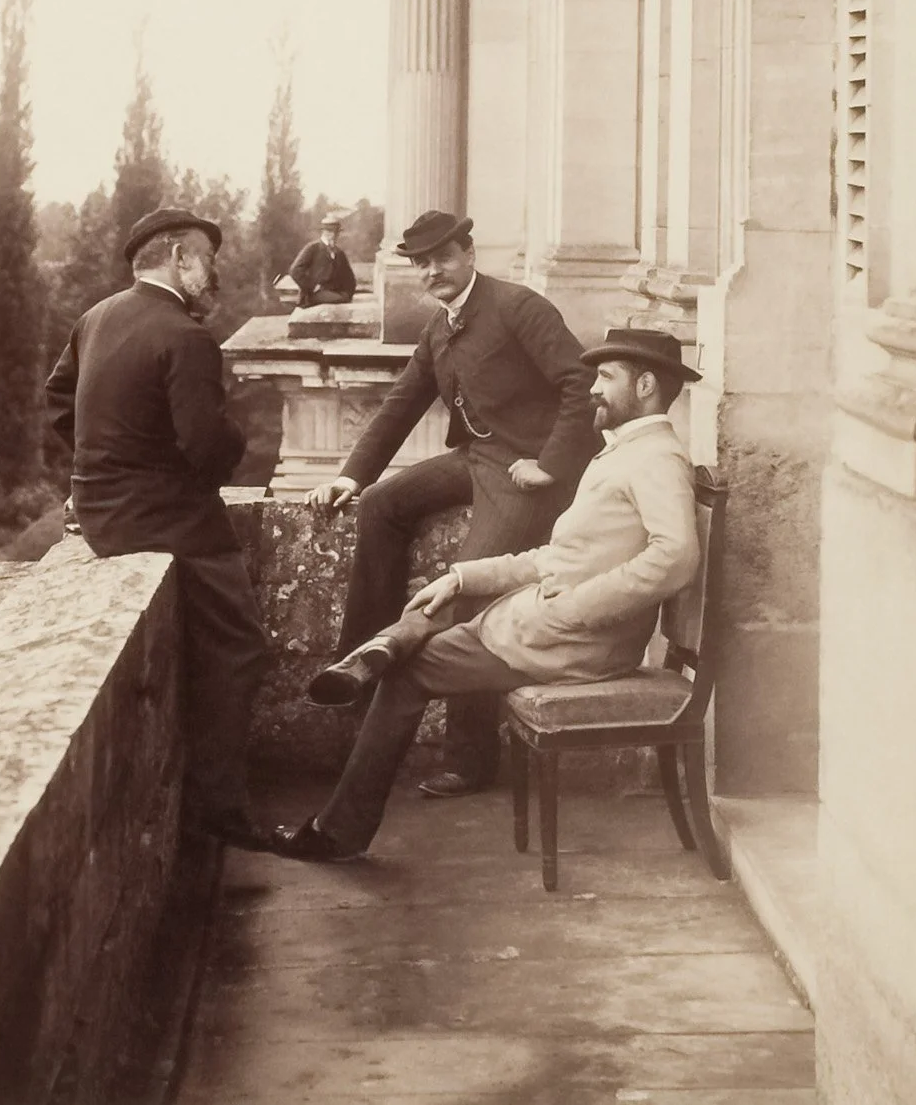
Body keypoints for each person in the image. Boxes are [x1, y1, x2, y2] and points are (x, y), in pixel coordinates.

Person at [275, 327, 702, 861]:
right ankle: (381, 647)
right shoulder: (625, 454)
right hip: (549, 621)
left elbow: (676, 556)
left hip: (574, 640)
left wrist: (577, 610)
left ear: (645, 386)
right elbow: (559, 557)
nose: (592, 388)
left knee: (409, 677)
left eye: (605, 377)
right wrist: (462, 576)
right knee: (445, 596)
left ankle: (339, 829)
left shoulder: (657, 460)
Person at [306, 209, 595, 797]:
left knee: (468, 590)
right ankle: (362, 659)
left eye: (442, 257)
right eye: (421, 263)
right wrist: (350, 475)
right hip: (478, 459)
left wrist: (550, 463)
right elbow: (402, 403)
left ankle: (471, 758)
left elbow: (579, 383)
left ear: (469, 252)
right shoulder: (438, 328)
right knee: (382, 504)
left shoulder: (519, 307)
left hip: (528, 474)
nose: (432, 270)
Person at [45, 206, 275, 853]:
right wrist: (232, 436)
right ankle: (220, 811)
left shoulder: (97, 317)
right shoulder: (185, 334)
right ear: (177, 257)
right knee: (240, 650)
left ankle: (206, 801)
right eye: (207, 258)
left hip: (101, 512)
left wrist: (110, 462)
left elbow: (59, 400)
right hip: (166, 519)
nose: (214, 273)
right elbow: (207, 447)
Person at [287, 215, 358, 309]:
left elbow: (349, 278)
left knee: (343, 298)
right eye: (330, 232)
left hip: (335, 293)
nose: (334, 235)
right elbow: (295, 270)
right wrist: (311, 286)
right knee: (341, 299)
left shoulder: (339, 253)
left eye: (336, 232)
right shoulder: (312, 248)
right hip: (314, 293)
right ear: (324, 232)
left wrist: (349, 292)